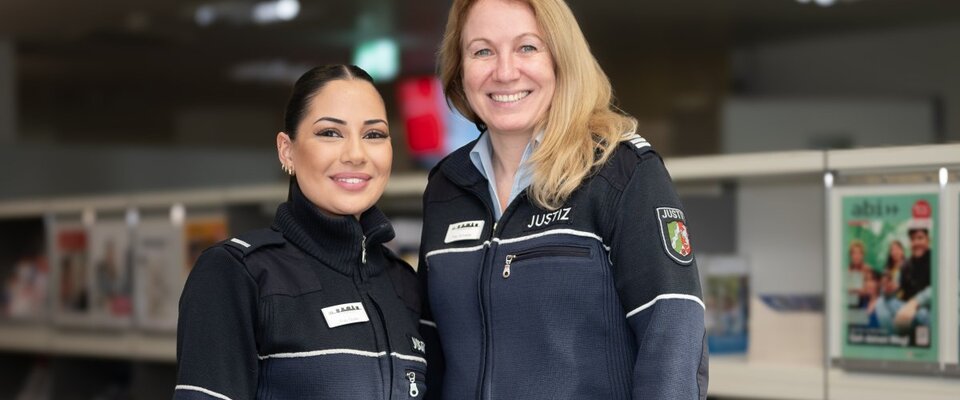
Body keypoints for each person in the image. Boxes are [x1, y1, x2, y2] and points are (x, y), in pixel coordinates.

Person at [418, 0, 707, 398]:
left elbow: (673, 338)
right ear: (459, 69)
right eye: (482, 51)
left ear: (561, 59)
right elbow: (429, 352)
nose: (504, 72)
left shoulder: (619, 171)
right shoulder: (447, 187)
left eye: (527, 47)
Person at [175, 65, 425, 400]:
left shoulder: (404, 285)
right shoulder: (238, 273)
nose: (356, 154)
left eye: (374, 135)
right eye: (330, 133)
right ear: (287, 150)